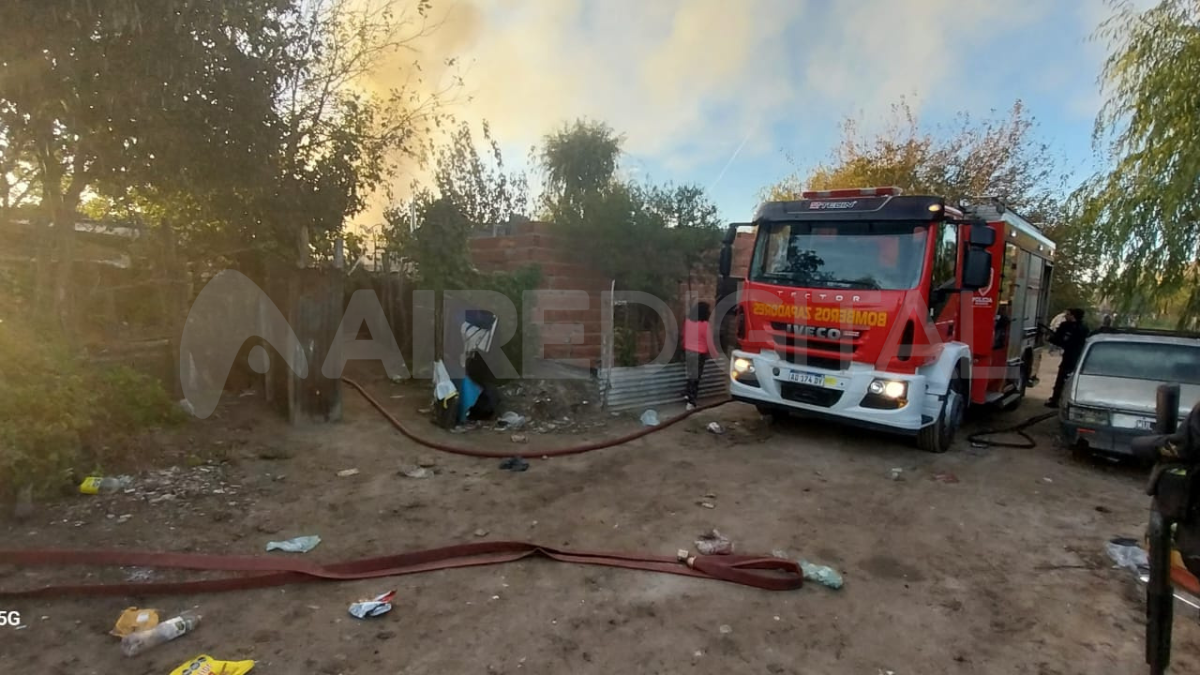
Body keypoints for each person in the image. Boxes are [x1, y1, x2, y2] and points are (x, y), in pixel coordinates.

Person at [1046, 307, 1089, 407]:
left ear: (1073, 316)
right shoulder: (1083, 327)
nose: (1065, 316)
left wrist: (1051, 339)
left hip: (1071, 356)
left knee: (1063, 378)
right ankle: (1059, 399)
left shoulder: (1071, 327)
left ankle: (1057, 400)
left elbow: (1061, 340)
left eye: (1068, 314)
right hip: (1076, 356)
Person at [683, 301, 713, 410]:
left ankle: (687, 394)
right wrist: (712, 353)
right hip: (699, 353)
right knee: (696, 377)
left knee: (691, 374)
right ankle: (691, 401)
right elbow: (708, 341)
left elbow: (685, 335)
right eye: (708, 310)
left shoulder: (687, 322)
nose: (710, 312)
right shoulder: (705, 325)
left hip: (688, 351)